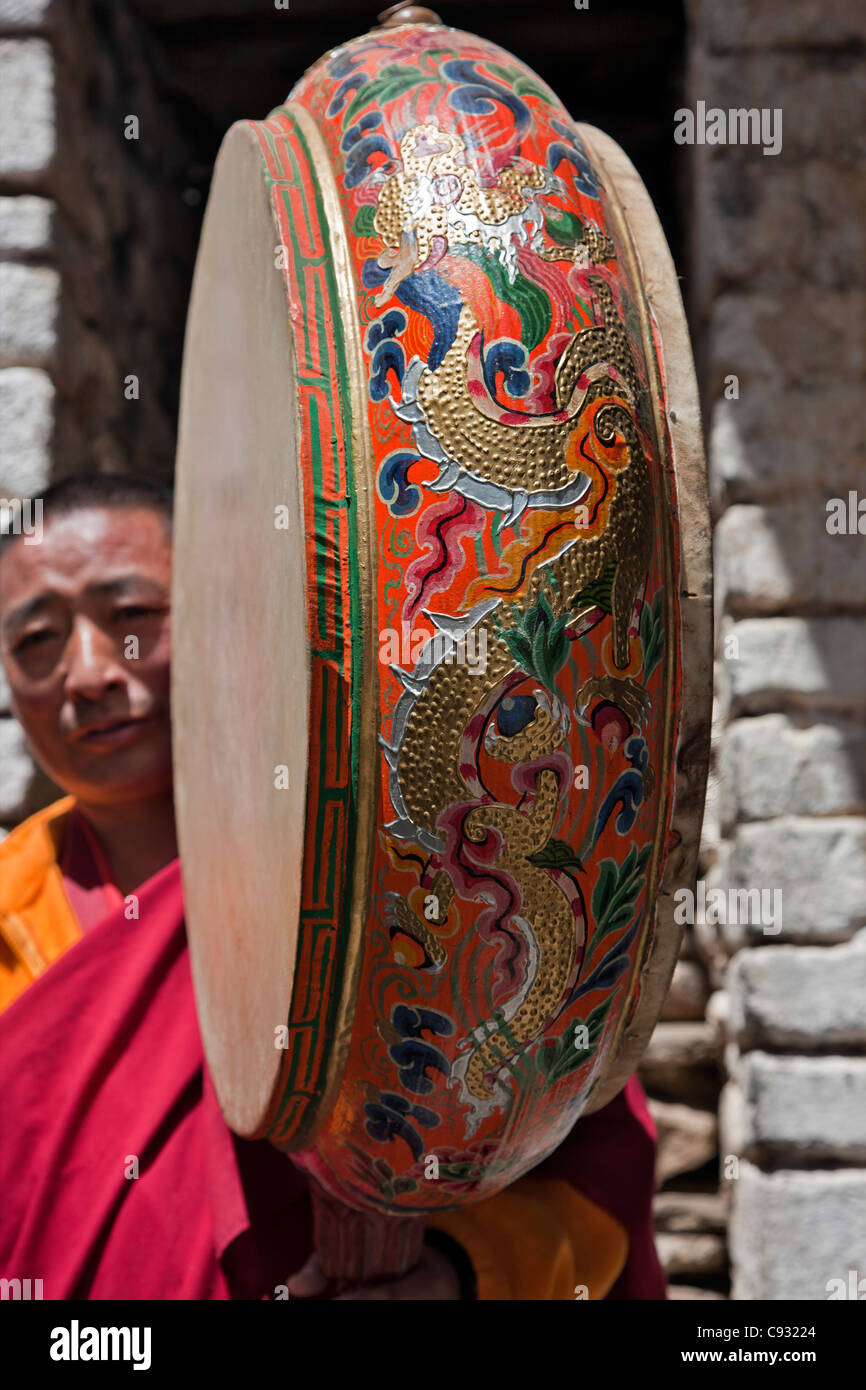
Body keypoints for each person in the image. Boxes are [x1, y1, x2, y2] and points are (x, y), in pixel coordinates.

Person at [0, 474, 665, 1301]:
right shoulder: (7, 911)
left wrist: (463, 1273)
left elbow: (590, 1152)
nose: (90, 673)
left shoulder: (397, 865)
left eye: (132, 617)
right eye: (36, 641)